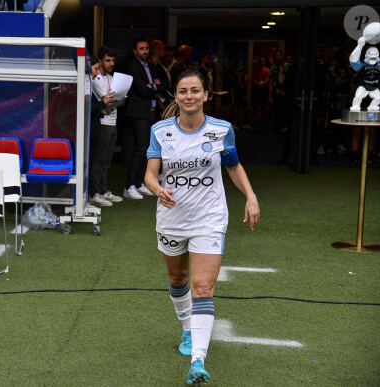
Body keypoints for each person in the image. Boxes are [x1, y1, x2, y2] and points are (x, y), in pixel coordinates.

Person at [144, 70, 260, 385]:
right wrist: (158, 190)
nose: (190, 96)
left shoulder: (222, 130)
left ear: (206, 95)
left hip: (209, 218)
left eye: (196, 91)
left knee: (203, 287)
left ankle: (198, 358)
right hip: (172, 219)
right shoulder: (160, 130)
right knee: (177, 278)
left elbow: (233, 166)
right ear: (176, 96)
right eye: (183, 91)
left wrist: (250, 196)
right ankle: (186, 327)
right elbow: (150, 174)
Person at [123, 38, 166, 199]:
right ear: (135, 51)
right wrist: (153, 87)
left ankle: (141, 183)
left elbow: (163, 87)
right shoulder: (132, 66)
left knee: (148, 150)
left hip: (151, 112)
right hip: (139, 113)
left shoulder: (151, 66)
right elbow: (142, 90)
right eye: (141, 49)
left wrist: (153, 86)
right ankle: (129, 186)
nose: (145, 51)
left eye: (147, 48)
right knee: (140, 149)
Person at [90, 46, 123, 206]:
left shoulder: (111, 78)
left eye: (113, 60)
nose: (111, 63)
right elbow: (107, 102)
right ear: (100, 61)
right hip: (102, 124)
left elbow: (115, 102)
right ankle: (95, 193)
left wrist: (113, 102)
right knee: (98, 160)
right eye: (107, 60)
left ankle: (103, 191)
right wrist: (111, 102)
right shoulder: (96, 78)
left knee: (106, 161)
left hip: (113, 122)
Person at [250, 57, 270, 128]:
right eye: (260, 61)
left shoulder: (267, 70)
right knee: (254, 107)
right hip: (256, 89)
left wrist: (262, 83)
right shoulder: (256, 70)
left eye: (263, 61)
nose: (262, 62)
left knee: (263, 107)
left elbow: (268, 79)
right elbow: (253, 79)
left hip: (264, 90)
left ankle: (264, 122)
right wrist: (258, 83)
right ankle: (253, 122)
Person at [198, 52, 217, 116]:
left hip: (211, 99)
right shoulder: (200, 71)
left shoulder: (212, 71)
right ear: (204, 59)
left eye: (212, 59)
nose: (211, 61)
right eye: (209, 59)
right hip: (202, 100)